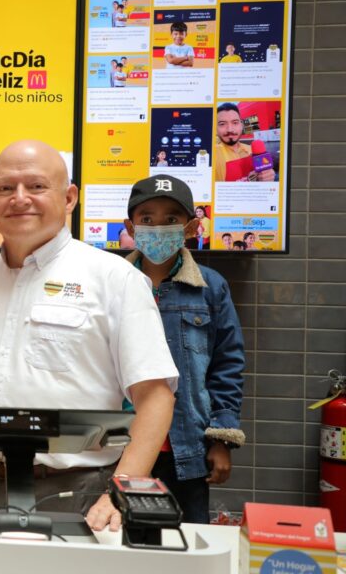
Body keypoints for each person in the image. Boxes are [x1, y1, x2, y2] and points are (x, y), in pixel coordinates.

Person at [0, 140, 178, 531]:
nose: (19, 199)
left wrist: (120, 491)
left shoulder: (114, 279)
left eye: (35, 186)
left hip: (77, 494)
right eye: (5, 188)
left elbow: (156, 397)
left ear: (69, 198)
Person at [122, 174, 245, 523]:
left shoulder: (210, 287)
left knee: (184, 543)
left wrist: (221, 439)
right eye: (147, 219)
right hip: (117, 444)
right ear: (130, 226)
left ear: (190, 228)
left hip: (185, 447)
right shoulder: (111, 281)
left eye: (171, 219)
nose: (158, 227)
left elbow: (227, 365)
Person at [214, 103, 276, 183]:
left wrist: (268, 177)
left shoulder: (251, 150)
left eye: (235, 122)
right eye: (222, 124)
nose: (230, 129)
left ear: (241, 125)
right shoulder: (214, 154)